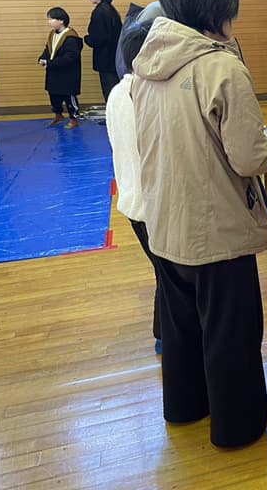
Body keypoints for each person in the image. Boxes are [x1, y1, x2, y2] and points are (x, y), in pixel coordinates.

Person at [130, 0, 267, 448]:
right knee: (231, 333)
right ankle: (239, 426)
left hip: (164, 224)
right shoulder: (220, 68)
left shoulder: (145, 66)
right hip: (217, 230)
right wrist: (266, 143)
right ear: (215, 8)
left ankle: (185, 406)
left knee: (182, 328)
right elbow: (250, 158)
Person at [105, 19, 162, 355]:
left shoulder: (117, 92)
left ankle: (165, 333)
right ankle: (167, 335)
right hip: (152, 203)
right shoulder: (145, 94)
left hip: (132, 199)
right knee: (171, 274)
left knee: (165, 272)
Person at [39, 7, 83, 129]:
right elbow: (48, 49)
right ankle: (58, 115)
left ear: (61, 21)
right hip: (54, 73)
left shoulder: (71, 37)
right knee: (54, 95)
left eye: (51, 19)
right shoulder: (52, 34)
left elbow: (70, 57)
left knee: (69, 97)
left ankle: (74, 119)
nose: (49, 22)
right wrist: (42, 58)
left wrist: (51, 63)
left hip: (67, 74)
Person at [84, 0, 122, 102]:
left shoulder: (99, 11)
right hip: (114, 55)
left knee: (109, 88)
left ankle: (113, 112)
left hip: (105, 57)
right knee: (114, 87)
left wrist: (87, 39)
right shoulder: (110, 9)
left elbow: (99, 37)